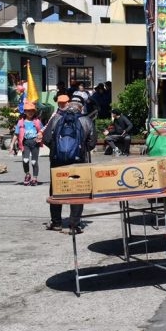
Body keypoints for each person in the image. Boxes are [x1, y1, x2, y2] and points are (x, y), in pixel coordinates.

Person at [42, 95, 96, 233]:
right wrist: (79, 151)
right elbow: (92, 143)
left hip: (57, 161)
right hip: (79, 161)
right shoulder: (86, 120)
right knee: (77, 191)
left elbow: (46, 138)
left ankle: (56, 223)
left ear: (67, 106)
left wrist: (58, 151)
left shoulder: (56, 119)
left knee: (56, 190)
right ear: (81, 108)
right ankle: (74, 225)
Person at [16, 101, 44, 186]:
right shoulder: (21, 122)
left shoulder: (37, 121)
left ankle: (35, 178)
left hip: (35, 143)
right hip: (25, 143)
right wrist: (11, 145)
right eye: (28, 111)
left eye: (32, 110)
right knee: (25, 160)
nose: (30, 112)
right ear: (25, 111)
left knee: (34, 161)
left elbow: (42, 131)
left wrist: (40, 135)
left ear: (34, 111)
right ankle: (27, 174)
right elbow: (16, 133)